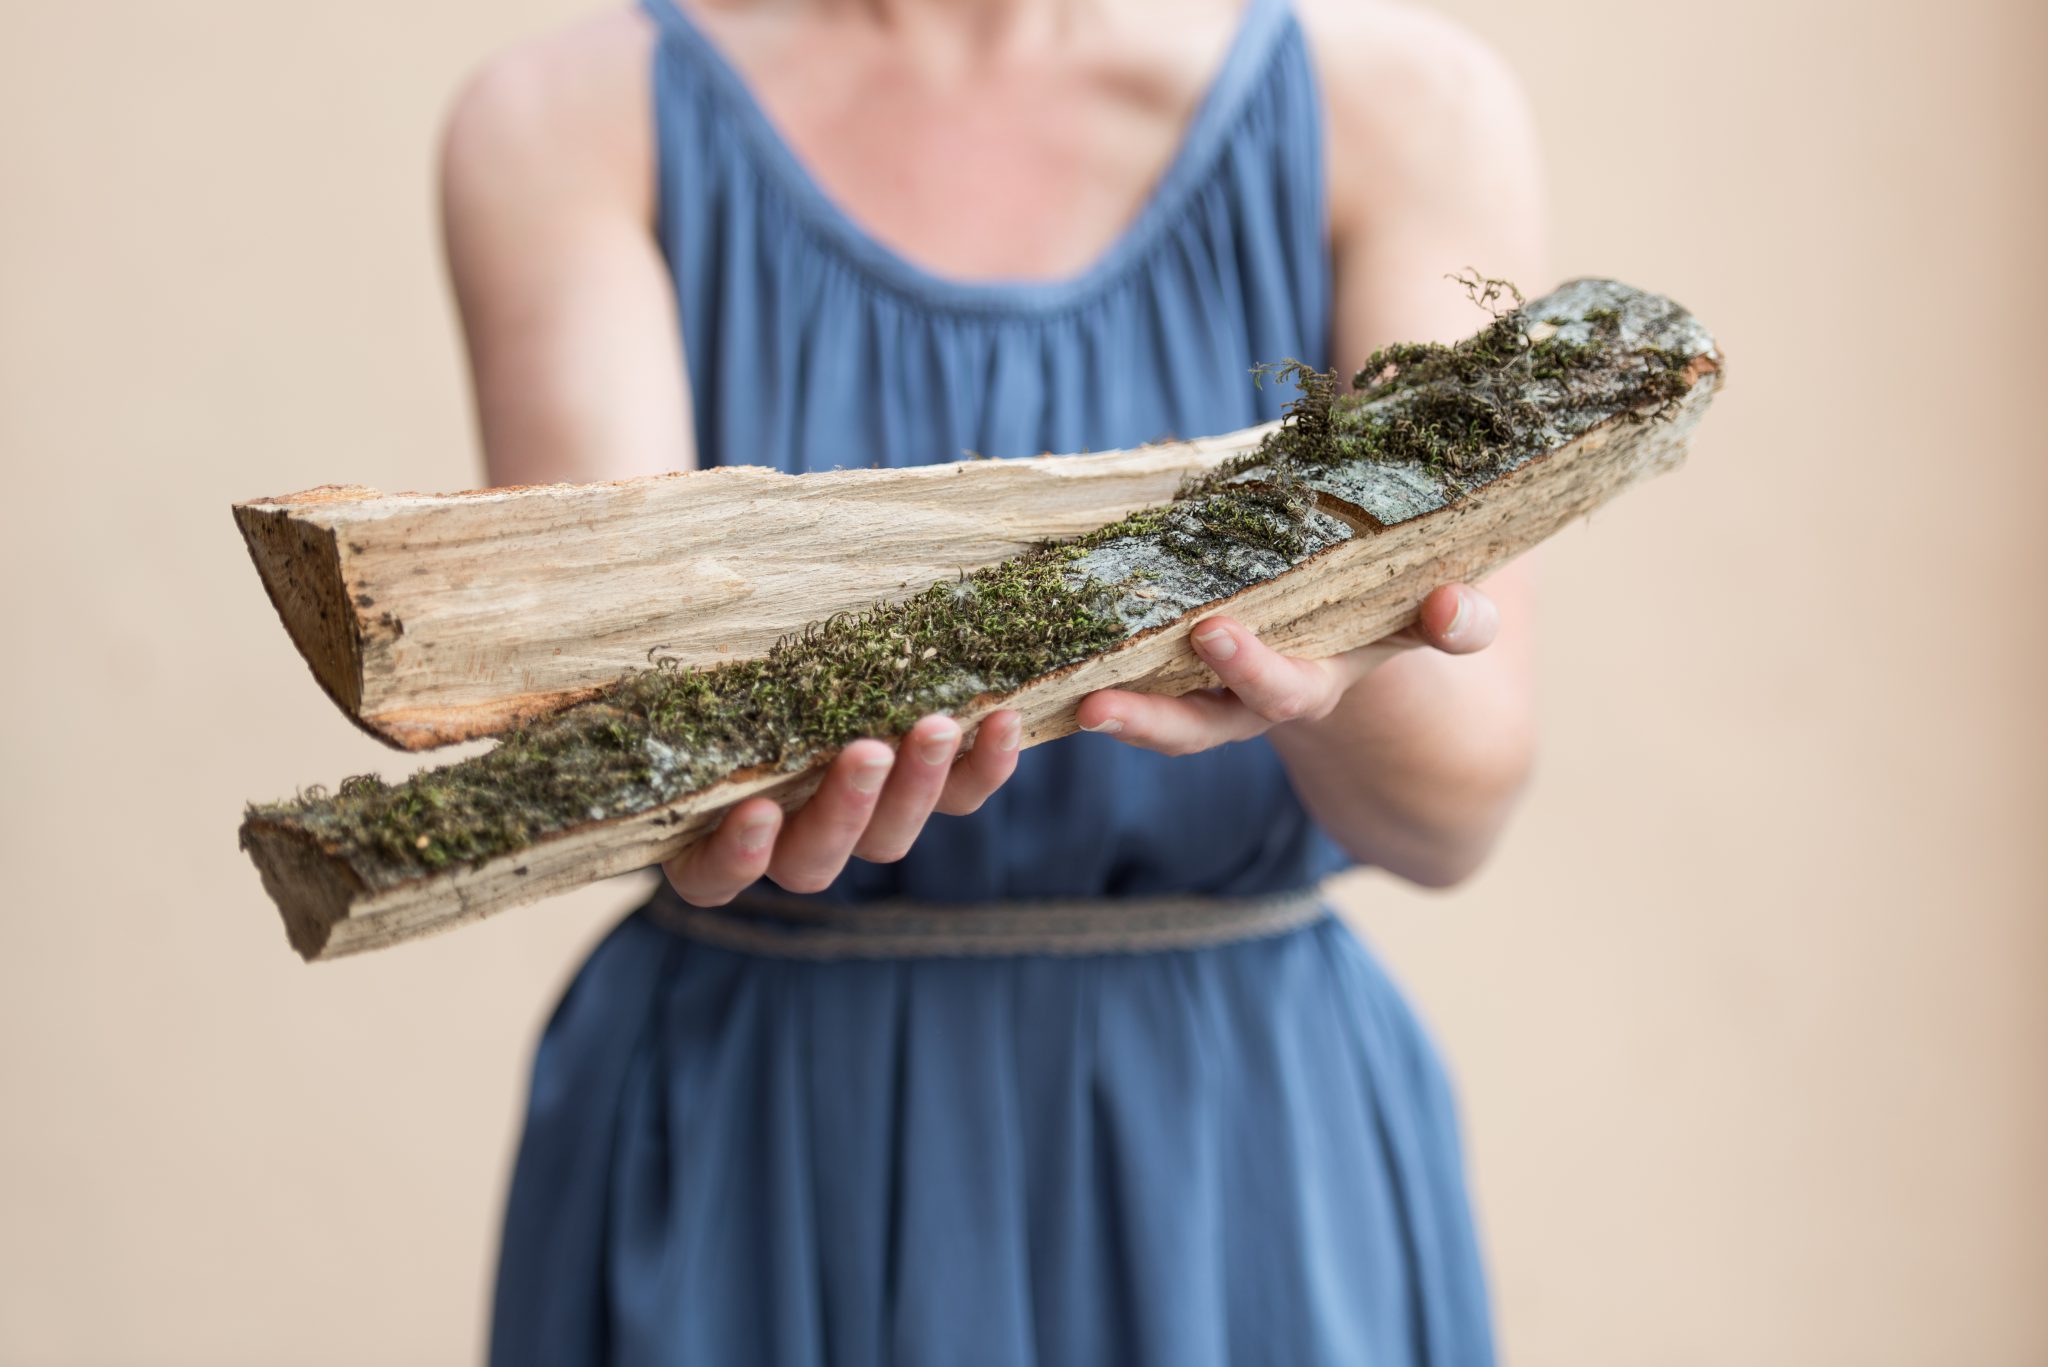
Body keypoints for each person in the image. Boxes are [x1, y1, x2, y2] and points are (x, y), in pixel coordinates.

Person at [445, 0, 1543, 1360]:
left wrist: (1327, 667)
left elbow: (1451, 809)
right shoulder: (569, 124)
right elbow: (626, 695)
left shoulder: (1408, 109)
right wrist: (689, 797)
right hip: (766, 1150)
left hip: (1233, 1161)